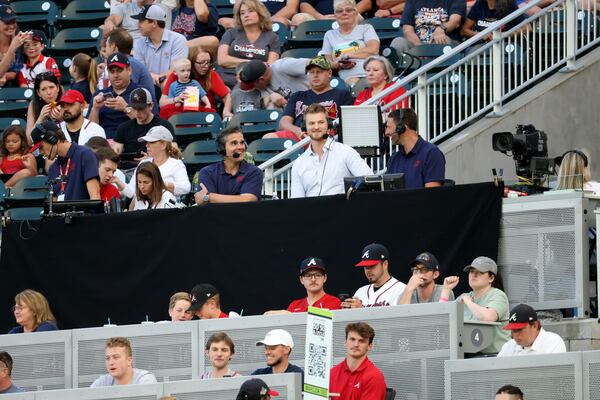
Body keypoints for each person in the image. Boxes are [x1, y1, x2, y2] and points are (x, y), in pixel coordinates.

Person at [290, 103, 372, 198]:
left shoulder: (346, 152)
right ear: (305, 128)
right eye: (311, 123)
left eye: (320, 122)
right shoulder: (299, 163)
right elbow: (296, 201)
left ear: (328, 125)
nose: (316, 127)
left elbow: (369, 181)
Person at [265, 56, 354, 141]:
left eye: (319, 71)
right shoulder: (298, 96)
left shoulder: (342, 95)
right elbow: (284, 122)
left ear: (329, 73)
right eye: (311, 72)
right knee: (268, 137)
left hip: (327, 137)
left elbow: (348, 124)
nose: (315, 75)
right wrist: (298, 131)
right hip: (300, 138)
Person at [30, 120, 101, 200]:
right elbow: (53, 204)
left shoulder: (85, 155)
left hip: (85, 212)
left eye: (41, 147)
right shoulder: (53, 168)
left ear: (52, 138)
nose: (40, 152)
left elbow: (95, 196)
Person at [216, 0, 281, 88]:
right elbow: (222, 59)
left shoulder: (272, 37)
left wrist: (250, 71)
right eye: (242, 13)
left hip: (255, 81)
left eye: (250, 11)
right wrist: (251, 64)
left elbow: (270, 65)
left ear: (260, 13)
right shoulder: (231, 33)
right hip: (228, 79)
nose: (246, 15)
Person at [454, 256, 511, 355]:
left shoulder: (497, 295)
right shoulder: (464, 297)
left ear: (491, 278)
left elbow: (488, 318)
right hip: (468, 355)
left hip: (496, 356)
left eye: (480, 272)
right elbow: (444, 320)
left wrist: (469, 302)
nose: (474, 275)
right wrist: (446, 290)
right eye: (471, 271)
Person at [194, 126, 262, 205]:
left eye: (242, 142)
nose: (240, 147)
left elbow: (247, 200)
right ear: (222, 149)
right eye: (234, 143)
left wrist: (208, 197)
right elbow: (207, 206)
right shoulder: (207, 172)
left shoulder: (254, 172)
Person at [117, 125, 190, 198]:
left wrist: (162, 184)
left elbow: (186, 187)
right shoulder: (143, 163)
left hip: (166, 207)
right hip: (144, 207)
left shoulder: (176, 164)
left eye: (151, 142)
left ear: (163, 145)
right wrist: (117, 181)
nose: (147, 145)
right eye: (147, 142)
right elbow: (132, 192)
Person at [160, 46, 232, 119]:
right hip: (179, 115)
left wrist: (226, 111)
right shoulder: (177, 75)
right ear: (191, 63)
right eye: (202, 63)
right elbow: (162, 103)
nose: (206, 66)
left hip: (203, 116)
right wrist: (176, 99)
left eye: (208, 62)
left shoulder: (211, 74)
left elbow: (227, 96)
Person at [114, 87, 175, 171]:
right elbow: (115, 154)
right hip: (127, 170)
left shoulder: (164, 125)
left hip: (155, 169)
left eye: (141, 108)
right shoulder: (124, 127)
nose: (138, 112)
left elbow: (174, 153)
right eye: (134, 108)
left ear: (151, 105)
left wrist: (152, 159)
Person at [321, 0, 380, 85]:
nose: (344, 13)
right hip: (349, 79)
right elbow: (328, 62)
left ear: (355, 13)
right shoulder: (329, 34)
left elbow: (373, 50)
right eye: (339, 11)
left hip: (370, 73)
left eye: (348, 10)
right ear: (335, 16)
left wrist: (348, 55)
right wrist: (338, 65)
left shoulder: (366, 28)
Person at [385, 108, 446, 189]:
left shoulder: (431, 153)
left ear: (401, 128)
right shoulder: (394, 158)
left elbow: (432, 196)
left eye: (389, 127)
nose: (386, 133)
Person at [132, 4, 189, 85]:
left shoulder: (178, 40)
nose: (138, 25)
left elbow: (176, 71)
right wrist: (156, 78)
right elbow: (140, 72)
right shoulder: (138, 43)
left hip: (172, 88)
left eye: (141, 21)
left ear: (154, 23)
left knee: (166, 83)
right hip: (147, 87)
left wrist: (157, 78)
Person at [88, 52, 140, 140]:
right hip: (104, 145)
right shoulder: (99, 95)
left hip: (132, 142)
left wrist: (126, 108)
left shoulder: (140, 92)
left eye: (119, 70)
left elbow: (149, 124)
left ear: (129, 70)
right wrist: (95, 109)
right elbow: (90, 130)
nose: (116, 75)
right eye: (112, 72)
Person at [105, 28, 158, 113]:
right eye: (112, 71)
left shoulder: (131, 64)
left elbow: (128, 94)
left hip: (144, 114)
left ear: (113, 47)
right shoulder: (131, 61)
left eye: (107, 45)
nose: (105, 49)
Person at [329, 322, 386, 400]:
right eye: (352, 339)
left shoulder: (375, 376)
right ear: (345, 342)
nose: (356, 344)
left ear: (369, 346)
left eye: (361, 341)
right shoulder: (332, 373)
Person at [265, 257, 342, 314]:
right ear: (301, 280)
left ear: (324, 278)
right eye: (308, 275)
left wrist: (291, 316)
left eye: (317, 275)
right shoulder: (294, 305)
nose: (313, 279)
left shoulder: (335, 302)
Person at [344, 243, 407, 308]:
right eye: (366, 267)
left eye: (372, 266)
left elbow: (401, 317)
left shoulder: (401, 290)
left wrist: (361, 310)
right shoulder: (360, 292)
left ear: (385, 264)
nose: (368, 271)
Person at [390, 0, 465, 55]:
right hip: (417, 43)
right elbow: (407, 30)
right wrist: (421, 48)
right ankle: (396, 75)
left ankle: (438, 74)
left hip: (445, 40)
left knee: (441, 40)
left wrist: (441, 29)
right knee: (398, 42)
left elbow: (455, 21)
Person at [238, 58, 310, 112]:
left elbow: (315, 62)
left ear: (261, 80)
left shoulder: (282, 67)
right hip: (302, 113)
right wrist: (271, 96)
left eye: (253, 86)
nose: (253, 88)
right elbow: (268, 105)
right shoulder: (262, 86)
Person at [497, 303, 566, 356]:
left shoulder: (553, 341)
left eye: (519, 329)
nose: (515, 335)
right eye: (513, 330)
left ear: (535, 325)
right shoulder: (509, 346)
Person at [90, 337, 158, 387]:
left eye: (116, 357)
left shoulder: (145, 380)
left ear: (129, 360)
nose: (111, 362)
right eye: (107, 358)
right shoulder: (103, 382)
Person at [103, 0, 172, 40]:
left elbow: (162, 38)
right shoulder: (123, 7)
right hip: (125, 52)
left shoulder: (161, 9)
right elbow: (113, 18)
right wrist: (109, 22)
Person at [26, 72, 63, 138]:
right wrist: (41, 118)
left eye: (51, 87)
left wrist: (62, 119)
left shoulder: (66, 100)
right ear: (38, 93)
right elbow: (29, 139)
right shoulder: (33, 105)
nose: (49, 92)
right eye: (43, 89)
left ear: (57, 88)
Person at [0, 5, 24, 87]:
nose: (12, 26)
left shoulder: (18, 41)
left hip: (11, 89)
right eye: (7, 22)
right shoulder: (16, 43)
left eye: (13, 22)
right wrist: (12, 48)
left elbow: (14, 73)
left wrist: (5, 76)